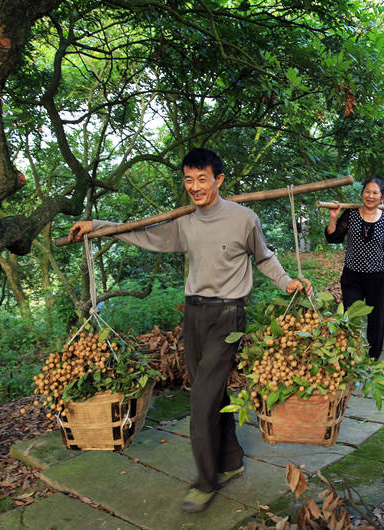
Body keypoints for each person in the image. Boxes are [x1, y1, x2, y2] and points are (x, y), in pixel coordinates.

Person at [68, 148, 312, 514]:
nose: (194, 187)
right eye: (188, 180)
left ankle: (205, 479)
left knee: (200, 403)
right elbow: (145, 234)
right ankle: (230, 460)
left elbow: (263, 257)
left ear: (219, 179)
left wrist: (288, 281)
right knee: (212, 395)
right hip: (194, 315)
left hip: (228, 316)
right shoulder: (186, 220)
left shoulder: (244, 218)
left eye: (202, 179)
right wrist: (97, 227)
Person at [325, 178, 384, 359]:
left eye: (375, 193)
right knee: (351, 316)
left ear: (382, 197)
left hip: (376, 278)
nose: (370, 196)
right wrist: (333, 218)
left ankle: (372, 358)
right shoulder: (351, 215)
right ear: (362, 193)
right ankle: (350, 355)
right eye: (367, 191)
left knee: (376, 319)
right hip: (352, 277)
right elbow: (334, 237)